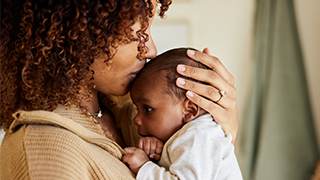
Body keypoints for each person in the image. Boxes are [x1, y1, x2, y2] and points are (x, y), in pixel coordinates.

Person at [0, 0, 239, 179]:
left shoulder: (129, 111)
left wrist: (222, 134)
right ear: (80, 32)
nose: (151, 50)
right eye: (136, 35)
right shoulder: (46, 155)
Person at [123, 48, 243, 180]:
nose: (136, 120)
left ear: (189, 110)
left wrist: (144, 167)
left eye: (148, 109)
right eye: (136, 109)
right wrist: (161, 154)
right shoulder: (194, 135)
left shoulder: (199, 135)